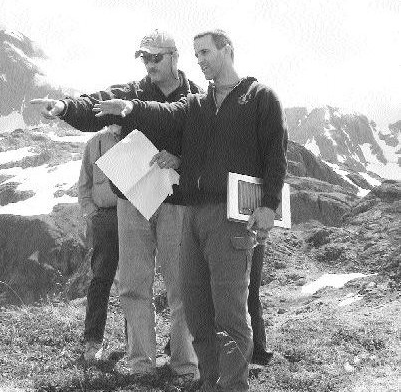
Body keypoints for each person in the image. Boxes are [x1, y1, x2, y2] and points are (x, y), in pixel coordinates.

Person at [90, 29, 288, 392]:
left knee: (229, 312)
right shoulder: (198, 103)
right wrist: (132, 108)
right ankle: (209, 382)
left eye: (206, 52)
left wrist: (269, 207)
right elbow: (165, 113)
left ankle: (231, 386)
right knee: (197, 311)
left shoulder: (260, 98)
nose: (201, 59)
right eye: (197, 54)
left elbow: (276, 155)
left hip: (231, 217)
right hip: (193, 214)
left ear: (228, 50)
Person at [31, 30, 201, 381]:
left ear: (174, 57)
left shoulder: (196, 97)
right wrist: (63, 107)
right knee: (133, 284)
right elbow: (95, 104)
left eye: (156, 57)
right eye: (144, 58)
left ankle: (185, 366)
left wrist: (181, 159)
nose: (150, 64)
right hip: (133, 200)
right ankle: (142, 365)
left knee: (181, 286)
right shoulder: (132, 93)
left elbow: (210, 147)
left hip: (177, 203)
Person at [78, 125, 122, 363]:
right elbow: (84, 183)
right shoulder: (94, 143)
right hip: (104, 217)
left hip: (133, 217)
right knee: (101, 279)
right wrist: (92, 212)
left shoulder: (138, 137)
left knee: (134, 280)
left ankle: (135, 342)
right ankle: (92, 341)